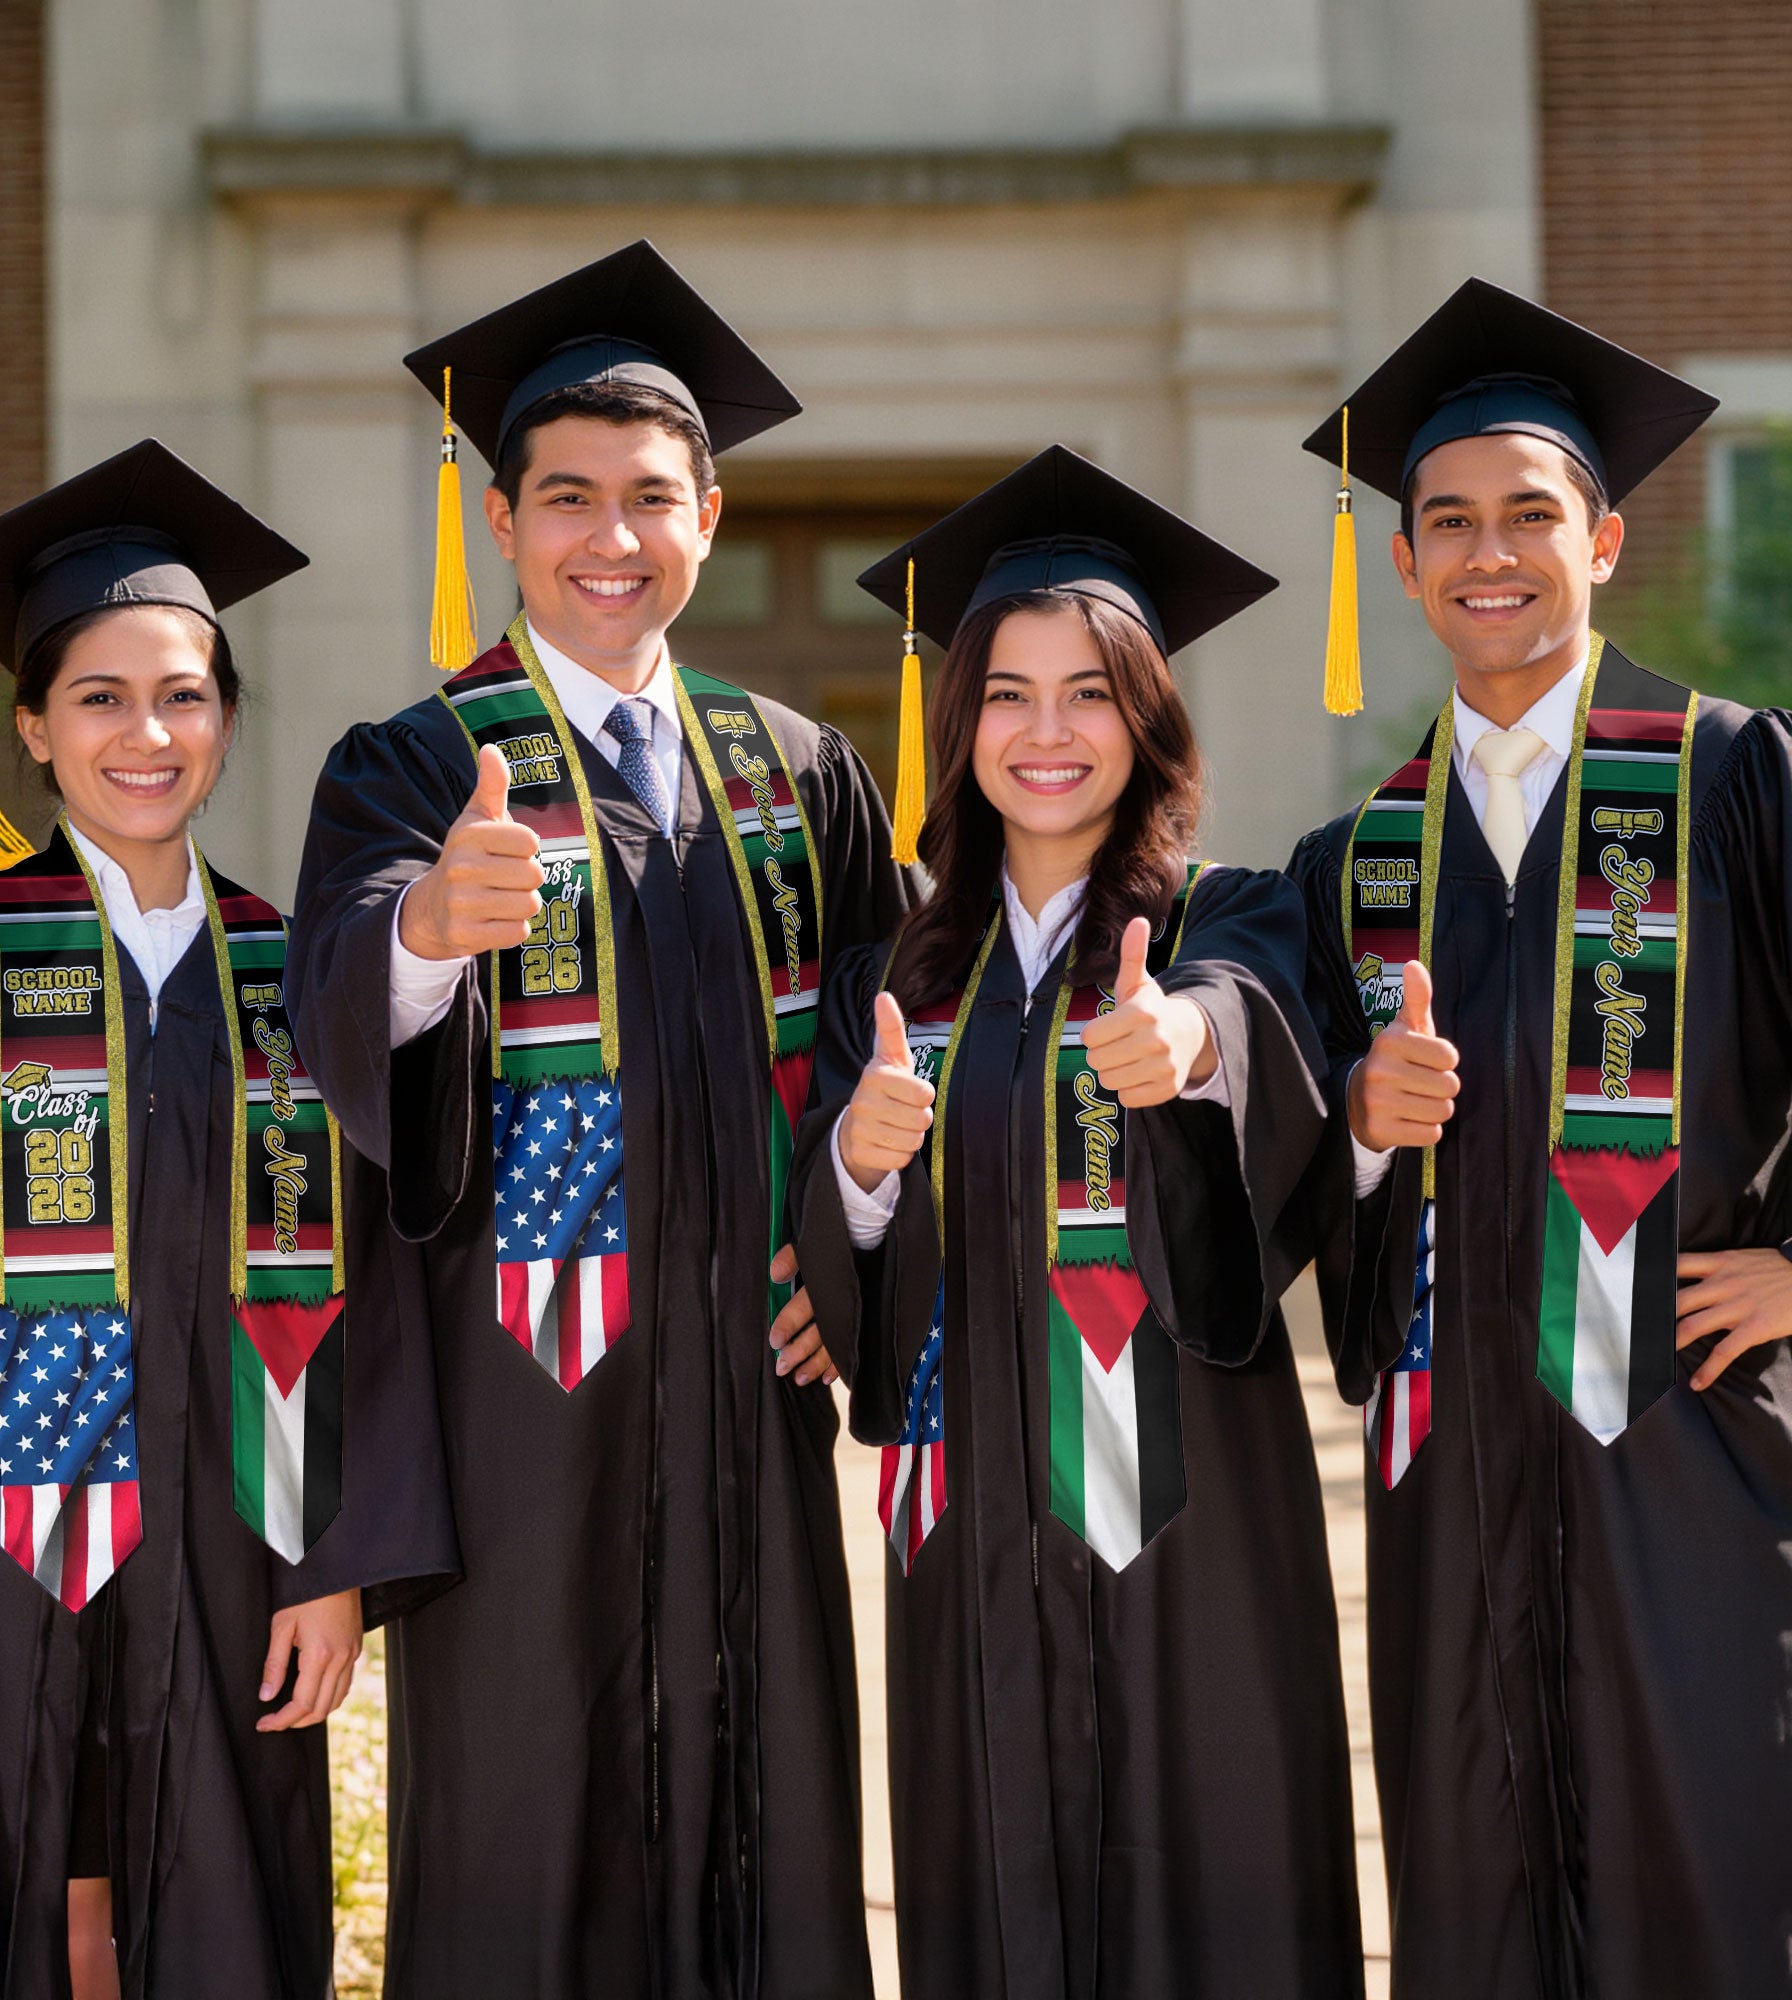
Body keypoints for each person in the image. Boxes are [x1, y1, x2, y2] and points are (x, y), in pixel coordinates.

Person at [286, 241, 912, 1999]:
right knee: (527, 1834)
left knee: (766, 1822)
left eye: (650, 497)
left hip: (751, 1407)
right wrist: (426, 930)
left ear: (709, 515)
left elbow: (897, 1039)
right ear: (502, 521)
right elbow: (333, 1002)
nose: (610, 537)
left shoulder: (797, 770)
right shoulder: (415, 764)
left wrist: (849, 1251)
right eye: (567, 498)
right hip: (522, 1415)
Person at [0, 440, 455, 2000]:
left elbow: (374, 1286)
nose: (145, 734)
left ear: (225, 718)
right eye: (98, 697)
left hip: (232, 1540)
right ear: (31, 726)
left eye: (183, 696)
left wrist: (333, 1560)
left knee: (214, 1896)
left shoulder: (299, 973)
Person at [790, 447, 1364, 1998]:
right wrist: (857, 1165)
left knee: (1214, 1886)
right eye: (1008, 694)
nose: (1047, 733)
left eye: (1091, 693)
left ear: (1149, 717)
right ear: (959, 723)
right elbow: (845, 1256)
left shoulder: (1229, 914)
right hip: (972, 1515)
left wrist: (1189, 1047)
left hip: (1191, 1513)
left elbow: (1251, 1024)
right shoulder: (897, 977)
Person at [1290, 279, 1792, 1999]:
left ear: (1606, 541)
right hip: (1454, 1479)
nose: (1487, 553)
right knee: (1476, 1887)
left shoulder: (1734, 782)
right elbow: (1295, 1182)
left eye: (1528, 515)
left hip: (1692, 1449)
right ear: (1404, 561)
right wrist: (1360, 1131)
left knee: (1710, 1879)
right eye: (1447, 522)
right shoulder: (1356, 863)